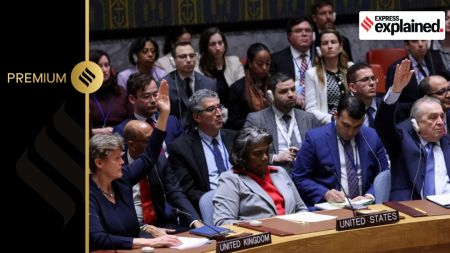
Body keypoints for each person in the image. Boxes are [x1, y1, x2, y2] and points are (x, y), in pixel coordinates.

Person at [89, 80, 181, 250]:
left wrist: (164, 114)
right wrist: (148, 241)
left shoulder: (122, 179)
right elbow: (97, 238)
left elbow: (150, 155)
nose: (123, 162)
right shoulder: (89, 194)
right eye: (116, 158)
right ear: (99, 162)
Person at [292, 95, 389, 208]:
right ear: (335, 116)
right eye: (346, 125)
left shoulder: (371, 137)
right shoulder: (315, 139)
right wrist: (325, 193)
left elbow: (384, 174)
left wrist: (370, 196)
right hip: (329, 209)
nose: (350, 132)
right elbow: (299, 178)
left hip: (366, 207)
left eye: (357, 127)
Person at [375, 59, 450, 200]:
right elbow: (382, 124)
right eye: (433, 118)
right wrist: (395, 91)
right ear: (416, 123)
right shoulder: (402, 141)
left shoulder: (447, 142)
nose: (440, 122)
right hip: (411, 210)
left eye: (441, 116)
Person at [213, 127, 307, 226]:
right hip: (261, 237)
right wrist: (260, 226)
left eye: (267, 151)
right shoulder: (231, 180)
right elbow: (223, 223)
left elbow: (301, 209)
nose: (265, 157)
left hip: (294, 233)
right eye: (258, 154)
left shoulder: (280, 172)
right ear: (242, 156)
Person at [123, 120, 202, 232]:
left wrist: (195, 220)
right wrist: (143, 228)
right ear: (131, 144)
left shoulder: (160, 161)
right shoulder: (119, 168)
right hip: (132, 228)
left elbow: (175, 193)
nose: (156, 144)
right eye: (149, 141)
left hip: (161, 224)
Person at [168, 89, 236, 211]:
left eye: (219, 107)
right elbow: (189, 191)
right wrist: (217, 200)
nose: (219, 113)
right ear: (197, 117)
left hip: (242, 200)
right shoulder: (181, 148)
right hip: (210, 205)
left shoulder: (235, 138)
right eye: (211, 109)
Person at [244, 72, 321, 171]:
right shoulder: (257, 120)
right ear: (271, 95)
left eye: (293, 89)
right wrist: (275, 157)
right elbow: (244, 153)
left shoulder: (309, 118)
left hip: (307, 175)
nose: (291, 95)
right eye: (283, 91)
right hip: (274, 176)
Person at [113, 73, 183, 151]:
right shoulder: (123, 130)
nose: (153, 100)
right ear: (132, 99)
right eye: (146, 96)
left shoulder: (172, 121)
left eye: (155, 94)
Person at [159, 41, 216, 132]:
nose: (189, 60)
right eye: (183, 56)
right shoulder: (164, 85)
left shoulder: (209, 83)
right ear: (173, 60)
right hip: (175, 135)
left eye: (192, 56)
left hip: (204, 132)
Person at [385, 40, 444, 123]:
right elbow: (391, 102)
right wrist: (417, 105)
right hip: (410, 117)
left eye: (423, 40)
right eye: (415, 41)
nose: (420, 44)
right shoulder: (397, 68)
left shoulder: (435, 61)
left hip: (438, 113)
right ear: (407, 45)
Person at [304, 29, 352, 124]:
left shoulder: (351, 68)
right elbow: (310, 110)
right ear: (319, 49)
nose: (329, 46)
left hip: (353, 122)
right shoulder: (311, 74)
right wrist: (335, 120)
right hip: (328, 124)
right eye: (325, 43)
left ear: (341, 46)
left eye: (333, 42)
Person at [270, 17, 315, 108]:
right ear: (289, 36)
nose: (304, 34)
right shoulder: (276, 59)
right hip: (289, 107)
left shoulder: (321, 57)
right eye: (298, 31)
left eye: (308, 30)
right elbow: (272, 88)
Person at [227, 42, 272, 130]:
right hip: (248, 134)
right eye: (259, 64)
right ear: (250, 63)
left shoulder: (275, 83)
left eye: (267, 64)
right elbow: (233, 122)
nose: (264, 68)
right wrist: (258, 122)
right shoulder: (237, 88)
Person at [198, 26, 244, 108]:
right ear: (205, 47)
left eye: (220, 43)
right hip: (210, 113)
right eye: (213, 44)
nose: (218, 48)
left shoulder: (234, 62)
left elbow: (242, 92)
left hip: (234, 111)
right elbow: (201, 100)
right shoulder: (198, 68)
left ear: (224, 44)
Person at [89, 49, 132, 135]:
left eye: (106, 65)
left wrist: (117, 129)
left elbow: (131, 119)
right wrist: (99, 131)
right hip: (93, 140)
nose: (104, 70)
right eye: (99, 66)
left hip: (119, 137)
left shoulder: (120, 91)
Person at [347, 62, 383, 128]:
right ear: (352, 87)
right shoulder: (346, 113)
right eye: (365, 80)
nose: (372, 83)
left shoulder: (385, 105)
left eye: (373, 78)